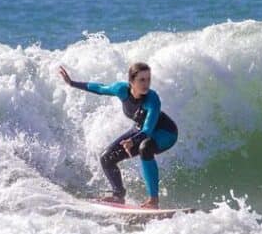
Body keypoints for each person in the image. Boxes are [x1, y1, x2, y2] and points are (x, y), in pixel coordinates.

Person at [58, 62, 178, 208]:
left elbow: (147, 130)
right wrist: (72, 83)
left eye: (148, 79)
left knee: (145, 148)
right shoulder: (121, 89)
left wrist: (132, 141)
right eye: (141, 80)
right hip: (139, 130)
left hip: (165, 133)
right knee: (106, 158)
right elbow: (100, 88)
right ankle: (118, 195)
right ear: (131, 81)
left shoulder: (152, 99)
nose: (146, 84)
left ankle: (153, 200)